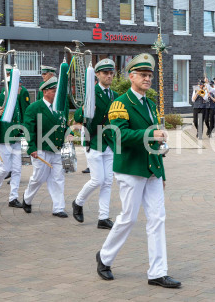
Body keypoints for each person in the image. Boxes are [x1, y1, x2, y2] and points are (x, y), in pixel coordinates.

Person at [96, 53, 181, 288]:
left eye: (150, 75)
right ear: (131, 76)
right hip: (131, 168)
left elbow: (155, 143)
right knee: (128, 218)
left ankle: (157, 272)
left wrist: (161, 173)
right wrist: (149, 134)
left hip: (151, 169)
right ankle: (104, 257)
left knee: (157, 218)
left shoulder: (150, 104)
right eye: (143, 75)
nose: (147, 78)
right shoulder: (120, 103)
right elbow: (118, 135)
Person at [72, 59, 119, 229]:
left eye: (111, 73)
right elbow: (78, 116)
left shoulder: (115, 96)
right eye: (105, 73)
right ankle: (78, 202)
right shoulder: (91, 93)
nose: (109, 76)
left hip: (109, 143)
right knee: (97, 179)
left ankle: (103, 217)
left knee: (107, 181)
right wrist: (83, 110)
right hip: (94, 140)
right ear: (97, 74)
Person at [22, 76, 68, 217]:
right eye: (54, 91)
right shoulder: (34, 108)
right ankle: (27, 199)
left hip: (56, 149)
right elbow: (28, 129)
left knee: (58, 178)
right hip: (41, 148)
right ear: (45, 91)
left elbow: (63, 125)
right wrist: (32, 148)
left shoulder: (59, 107)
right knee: (38, 178)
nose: (56, 94)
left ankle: (58, 208)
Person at [0, 75, 24, 208]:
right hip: (3, 139)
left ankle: (13, 198)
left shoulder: (16, 98)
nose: (20, 87)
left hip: (15, 138)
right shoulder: (0, 99)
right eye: (19, 85)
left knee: (17, 169)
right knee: (5, 168)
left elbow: (19, 117)